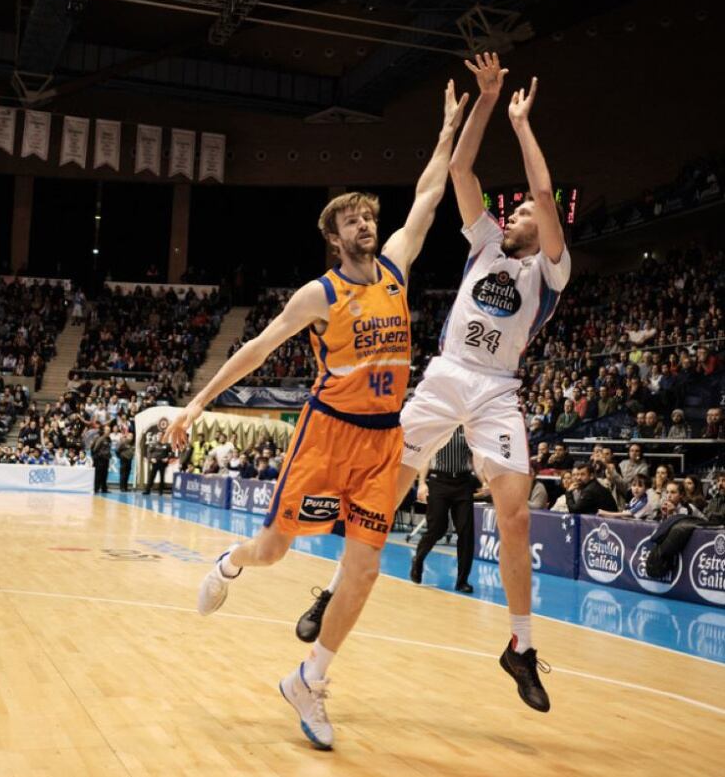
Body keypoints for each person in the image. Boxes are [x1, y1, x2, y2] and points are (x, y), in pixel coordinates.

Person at [165, 78, 468, 749]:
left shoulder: (395, 269)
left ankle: (310, 677)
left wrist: (447, 131)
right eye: (352, 218)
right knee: (273, 550)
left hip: (383, 442)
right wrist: (194, 402)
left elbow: (427, 197)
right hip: (325, 435)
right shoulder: (318, 294)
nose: (366, 223)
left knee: (363, 570)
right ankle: (230, 562)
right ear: (333, 237)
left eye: (369, 215)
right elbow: (253, 350)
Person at [299, 54, 567, 713]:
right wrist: (486, 101)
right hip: (447, 375)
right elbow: (459, 170)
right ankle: (334, 592)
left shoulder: (551, 270)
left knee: (513, 515)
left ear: (544, 223)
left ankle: (521, 647)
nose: (514, 217)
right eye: (512, 215)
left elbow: (542, 192)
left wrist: (522, 125)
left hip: (498, 388)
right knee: (383, 494)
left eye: (525, 216)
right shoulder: (483, 244)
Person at [410, 427, 478, 594]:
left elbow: (475, 458)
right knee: (437, 528)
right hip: (439, 480)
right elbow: (425, 456)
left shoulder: (468, 429)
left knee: (466, 532)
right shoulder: (439, 426)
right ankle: (418, 560)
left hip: (463, 482)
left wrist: (485, 481)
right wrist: (422, 484)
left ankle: (462, 581)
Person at [92, 424, 112, 493]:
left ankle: (104, 488)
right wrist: (99, 455)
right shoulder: (101, 438)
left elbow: (108, 449)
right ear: (104, 431)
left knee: (105, 474)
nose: (108, 431)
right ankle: (96, 488)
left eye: (109, 430)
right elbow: (95, 448)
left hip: (106, 459)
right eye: (107, 430)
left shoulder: (109, 439)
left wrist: (109, 454)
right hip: (100, 459)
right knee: (98, 474)